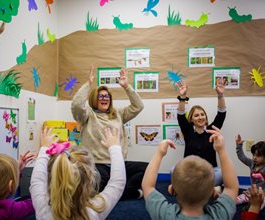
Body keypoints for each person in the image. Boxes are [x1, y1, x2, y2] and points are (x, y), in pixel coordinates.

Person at [71, 65, 147, 200]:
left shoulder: (118, 114)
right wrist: (88, 84)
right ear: (94, 98)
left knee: (146, 169)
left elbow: (138, 106)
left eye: (107, 96)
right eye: (100, 96)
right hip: (97, 164)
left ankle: (123, 193)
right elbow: (77, 105)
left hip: (118, 163)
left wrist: (126, 86)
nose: (104, 98)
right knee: (98, 185)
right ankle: (130, 193)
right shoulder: (87, 115)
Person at [142, 125, 238, 219]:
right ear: (212, 192)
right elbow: (231, 188)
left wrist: (159, 153)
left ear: (172, 190)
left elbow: (147, 186)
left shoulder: (164, 214)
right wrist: (221, 150)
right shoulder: (219, 215)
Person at [29, 126, 125, 220]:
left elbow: (37, 180)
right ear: (91, 179)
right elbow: (117, 183)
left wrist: (44, 149)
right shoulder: (94, 211)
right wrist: (114, 147)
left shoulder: (43, 208)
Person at [176, 79, 226, 186]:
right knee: (173, 171)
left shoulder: (211, 130)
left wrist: (220, 95)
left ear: (206, 117)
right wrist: (183, 97)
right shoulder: (187, 130)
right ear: (191, 119)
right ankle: (209, 189)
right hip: (190, 171)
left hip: (209, 172)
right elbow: (180, 114)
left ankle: (202, 188)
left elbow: (221, 114)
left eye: (202, 114)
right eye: (196, 115)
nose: (200, 117)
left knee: (221, 174)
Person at [235, 134, 265, 208]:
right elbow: (242, 157)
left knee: (259, 205)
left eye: (258, 156)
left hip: (263, 194)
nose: (254, 157)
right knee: (237, 200)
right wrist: (239, 145)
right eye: (253, 155)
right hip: (252, 192)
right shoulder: (252, 163)